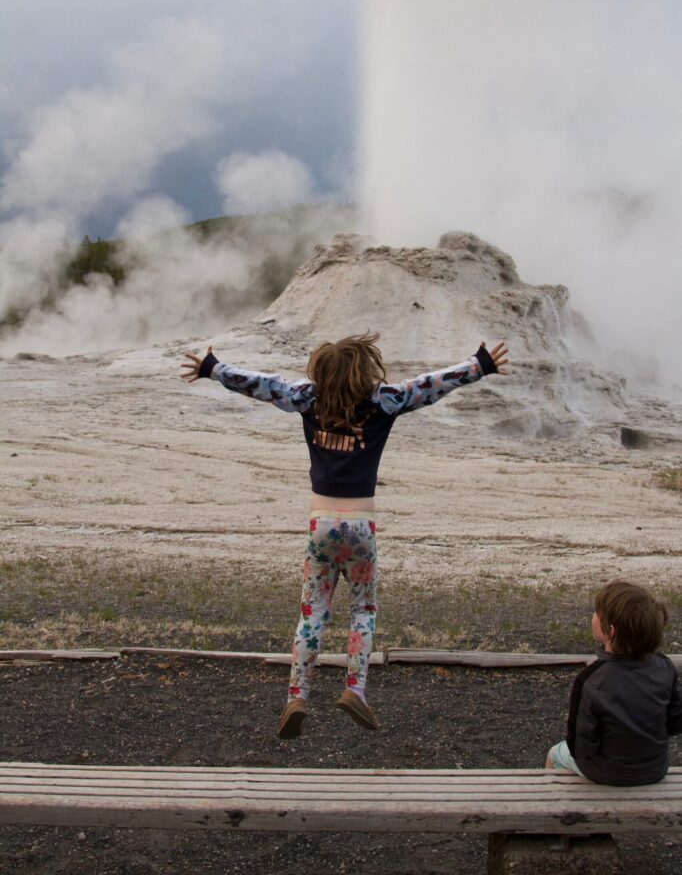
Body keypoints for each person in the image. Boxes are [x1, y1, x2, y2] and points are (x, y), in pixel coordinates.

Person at [181, 333, 508, 739]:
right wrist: (479, 365)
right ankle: (355, 689)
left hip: (320, 524)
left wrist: (214, 369)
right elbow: (430, 385)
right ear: (366, 370)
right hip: (360, 527)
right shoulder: (383, 402)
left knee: (312, 613)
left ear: (320, 371)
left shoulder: (307, 399)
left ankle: (297, 696)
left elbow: (263, 385)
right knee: (362, 611)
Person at [546, 580, 682, 784]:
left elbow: (580, 746)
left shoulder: (592, 679)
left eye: (596, 612)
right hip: (653, 769)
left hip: (607, 772)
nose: (592, 617)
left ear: (610, 631)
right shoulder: (664, 667)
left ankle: (554, 806)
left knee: (555, 754)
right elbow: (674, 723)